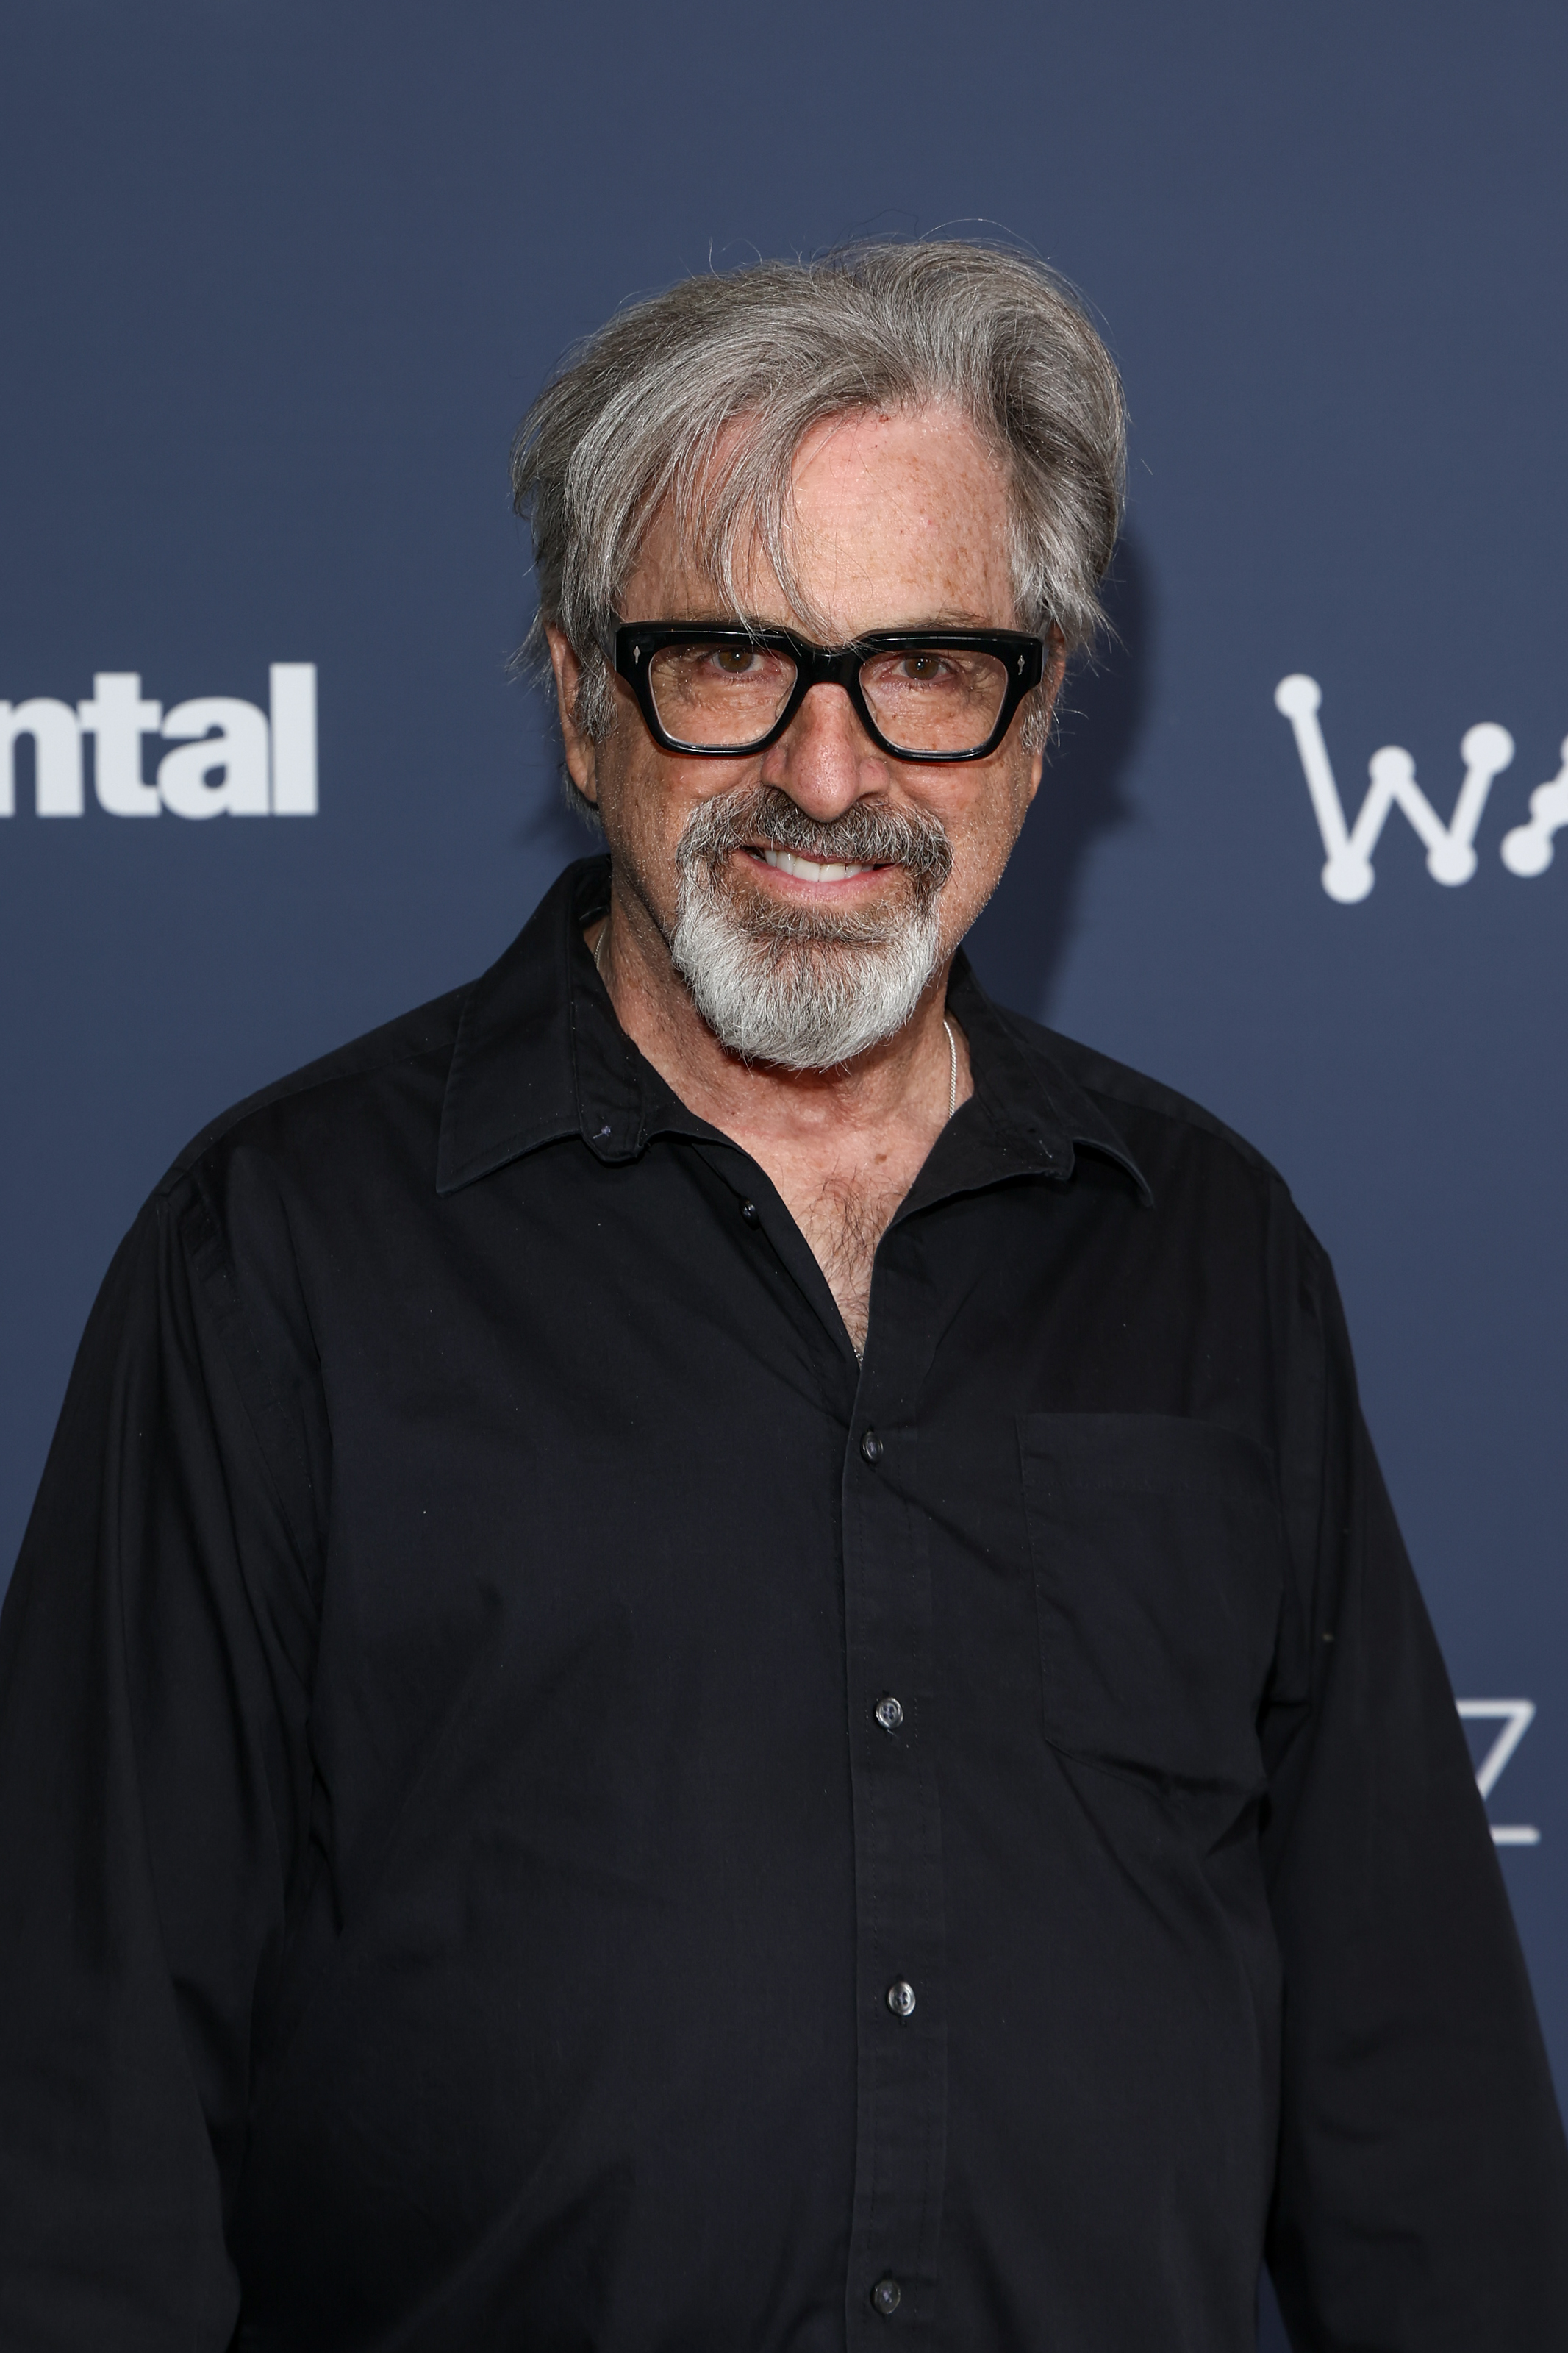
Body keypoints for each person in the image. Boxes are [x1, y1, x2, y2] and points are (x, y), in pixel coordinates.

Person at [0, 242, 1563, 2352]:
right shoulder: (278, 1252)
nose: (832, 776)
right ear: (575, 696)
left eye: (926, 665)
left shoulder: (1211, 1248)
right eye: (731, 656)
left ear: (1040, 711)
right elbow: (73, 2105)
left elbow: (1419, 2112)